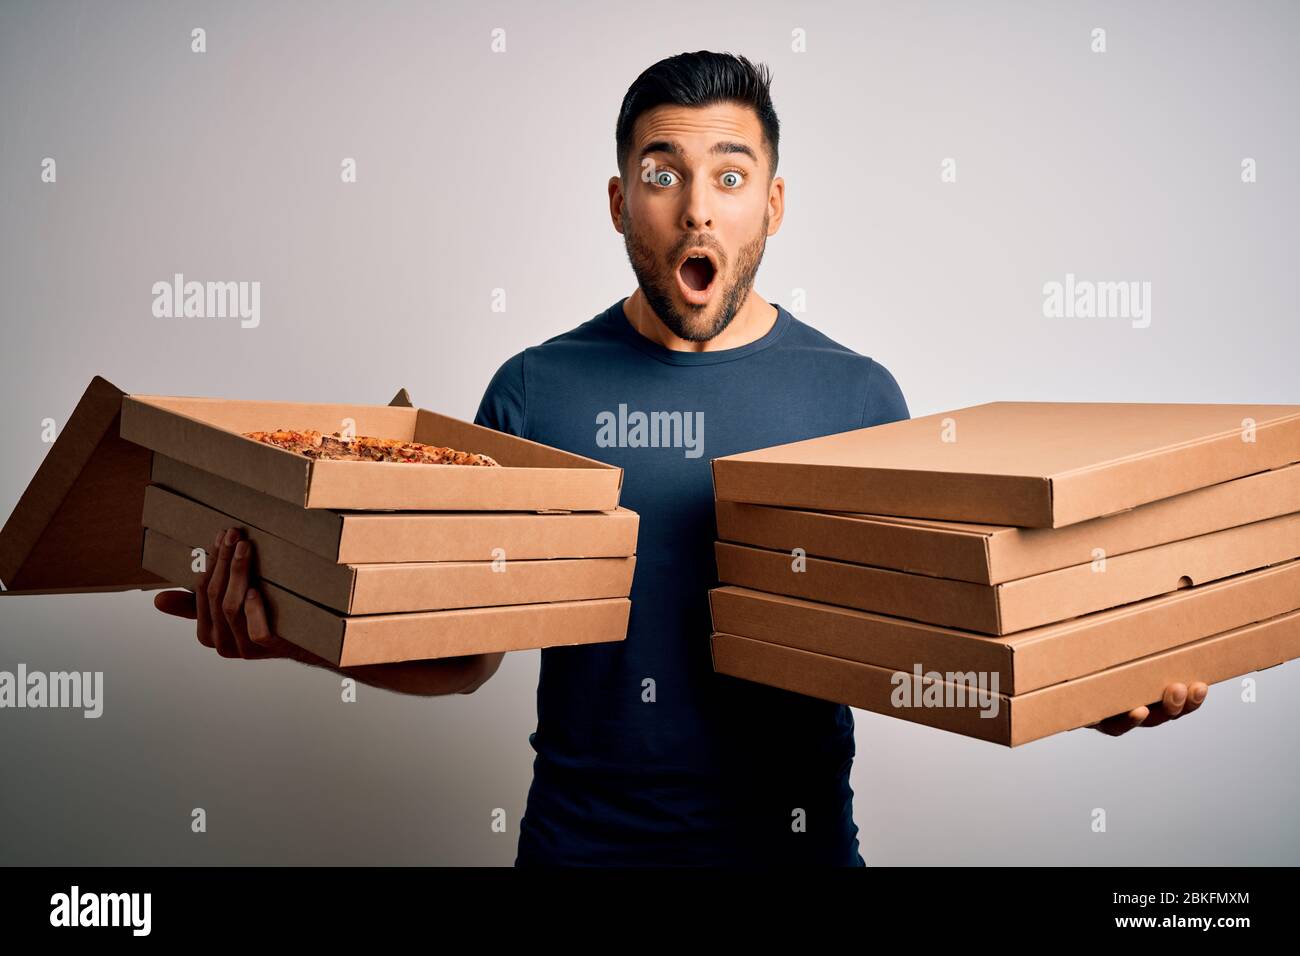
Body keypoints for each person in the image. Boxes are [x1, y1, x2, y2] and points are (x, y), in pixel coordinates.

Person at [154, 51, 1210, 867]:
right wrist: (292, 635)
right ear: (620, 203)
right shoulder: (532, 392)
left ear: (771, 205)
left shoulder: (859, 399)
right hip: (581, 851)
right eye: (662, 174)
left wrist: (1083, 685)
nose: (696, 205)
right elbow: (468, 650)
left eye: (729, 175)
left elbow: (926, 635)